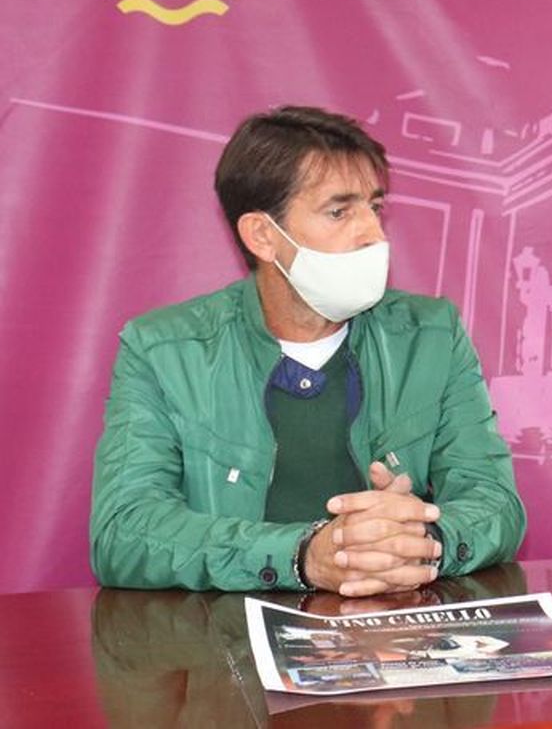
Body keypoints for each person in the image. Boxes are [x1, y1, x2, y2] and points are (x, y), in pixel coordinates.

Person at [90, 106, 526, 594]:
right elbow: (124, 531)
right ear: (262, 236)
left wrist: (422, 538)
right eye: (340, 212)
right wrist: (303, 555)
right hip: (226, 651)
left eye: (375, 207)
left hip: (392, 644)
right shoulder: (163, 350)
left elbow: (496, 502)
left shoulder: (432, 335)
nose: (373, 234)